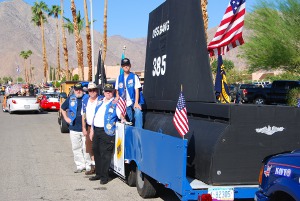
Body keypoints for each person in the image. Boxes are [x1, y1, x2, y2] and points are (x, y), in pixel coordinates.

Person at [89, 83, 124, 185]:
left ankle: (105, 176)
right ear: (103, 92)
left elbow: (120, 114)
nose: (108, 93)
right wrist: (92, 129)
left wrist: (123, 119)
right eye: (106, 91)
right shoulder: (100, 101)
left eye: (110, 91)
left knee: (105, 154)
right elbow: (94, 115)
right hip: (97, 130)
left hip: (107, 132)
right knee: (96, 151)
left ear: (113, 92)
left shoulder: (115, 103)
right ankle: (99, 173)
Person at [61, 82, 92, 173]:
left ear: (82, 90)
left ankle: (88, 165)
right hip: (73, 127)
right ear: (74, 90)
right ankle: (80, 165)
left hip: (85, 128)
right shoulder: (71, 98)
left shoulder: (87, 98)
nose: (78, 91)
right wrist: (66, 118)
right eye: (77, 90)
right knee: (76, 147)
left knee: (86, 147)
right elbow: (63, 108)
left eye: (80, 89)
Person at [115, 58, 144, 128]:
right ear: (122, 67)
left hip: (133, 101)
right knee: (129, 119)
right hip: (125, 103)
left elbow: (137, 90)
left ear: (130, 65)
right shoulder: (119, 78)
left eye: (127, 65)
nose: (126, 66)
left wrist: (136, 102)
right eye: (124, 65)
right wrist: (117, 99)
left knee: (138, 113)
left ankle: (138, 132)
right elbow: (117, 90)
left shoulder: (134, 76)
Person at [82, 82, 103, 175]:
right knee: (90, 147)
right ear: (88, 92)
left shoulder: (101, 99)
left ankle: (100, 167)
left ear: (97, 90)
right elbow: (83, 115)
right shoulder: (85, 101)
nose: (92, 92)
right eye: (90, 90)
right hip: (89, 126)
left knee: (99, 147)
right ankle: (94, 166)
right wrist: (84, 128)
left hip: (99, 127)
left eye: (94, 90)